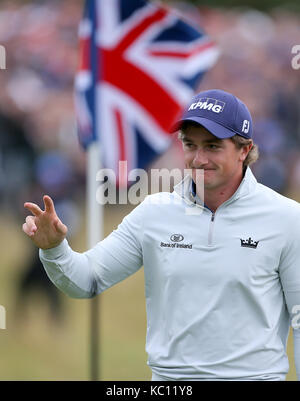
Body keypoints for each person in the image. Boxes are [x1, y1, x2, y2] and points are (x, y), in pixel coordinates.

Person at [22, 89, 300, 381]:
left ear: (244, 149)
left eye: (213, 146)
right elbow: (86, 280)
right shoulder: (154, 213)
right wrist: (55, 249)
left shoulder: (287, 218)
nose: (199, 158)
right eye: (190, 145)